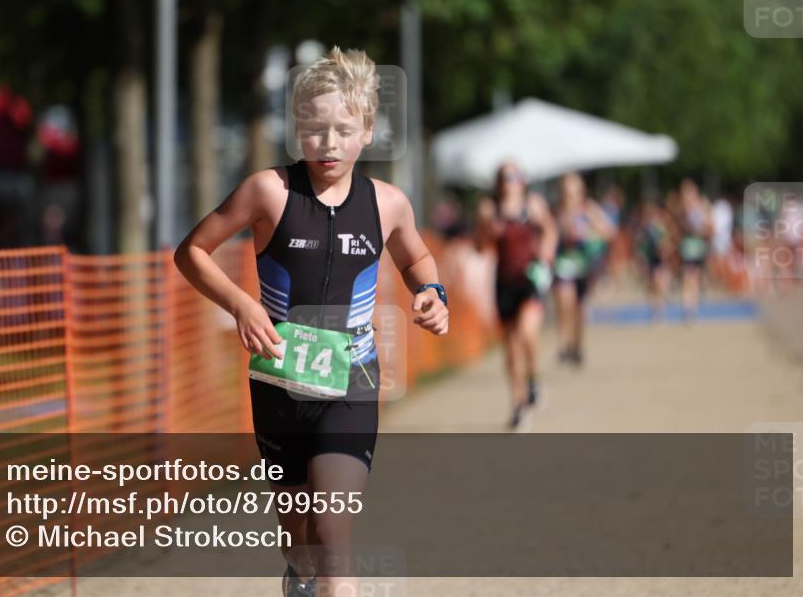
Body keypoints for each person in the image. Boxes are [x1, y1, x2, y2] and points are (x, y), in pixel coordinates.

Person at [175, 46, 449, 597]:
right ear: (297, 129)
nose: (329, 143)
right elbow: (192, 253)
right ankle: (298, 576)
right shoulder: (268, 192)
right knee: (300, 538)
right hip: (279, 384)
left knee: (332, 530)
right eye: (316, 128)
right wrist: (242, 305)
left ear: (368, 131)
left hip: (353, 380)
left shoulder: (388, 204)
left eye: (344, 129)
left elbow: (416, 257)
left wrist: (433, 292)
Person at [476, 163, 557, 431]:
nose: (510, 182)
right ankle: (518, 404)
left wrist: (546, 254)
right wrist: (489, 231)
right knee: (510, 348)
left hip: (530, 280)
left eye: (514, 176)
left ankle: (534, 379)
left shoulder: (533, 205)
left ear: (522, 181)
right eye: (504, 177)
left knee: (527, 335)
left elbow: (550, 231)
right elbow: (480, 247)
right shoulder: (490, 210)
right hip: (505, 284)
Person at [552, 173, 615, 367]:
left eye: (574, 191)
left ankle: (576, 345)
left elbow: (609, 232)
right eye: (566, 191)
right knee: (565, 301)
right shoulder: (557, 211)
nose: (570, 195)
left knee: (580, 309)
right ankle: (564, 342)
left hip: (584, 266)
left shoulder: (589, 209)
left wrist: (589, 231)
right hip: (563, 265)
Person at [675, 179, 712, 319]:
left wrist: (700, 230)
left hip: (698, 245)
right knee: (688, 277)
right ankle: (688, 308)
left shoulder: (701, 205)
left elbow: (709, 226)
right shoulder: (682, 208)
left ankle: (692, 308)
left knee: (695, 278)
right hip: (688, 246)